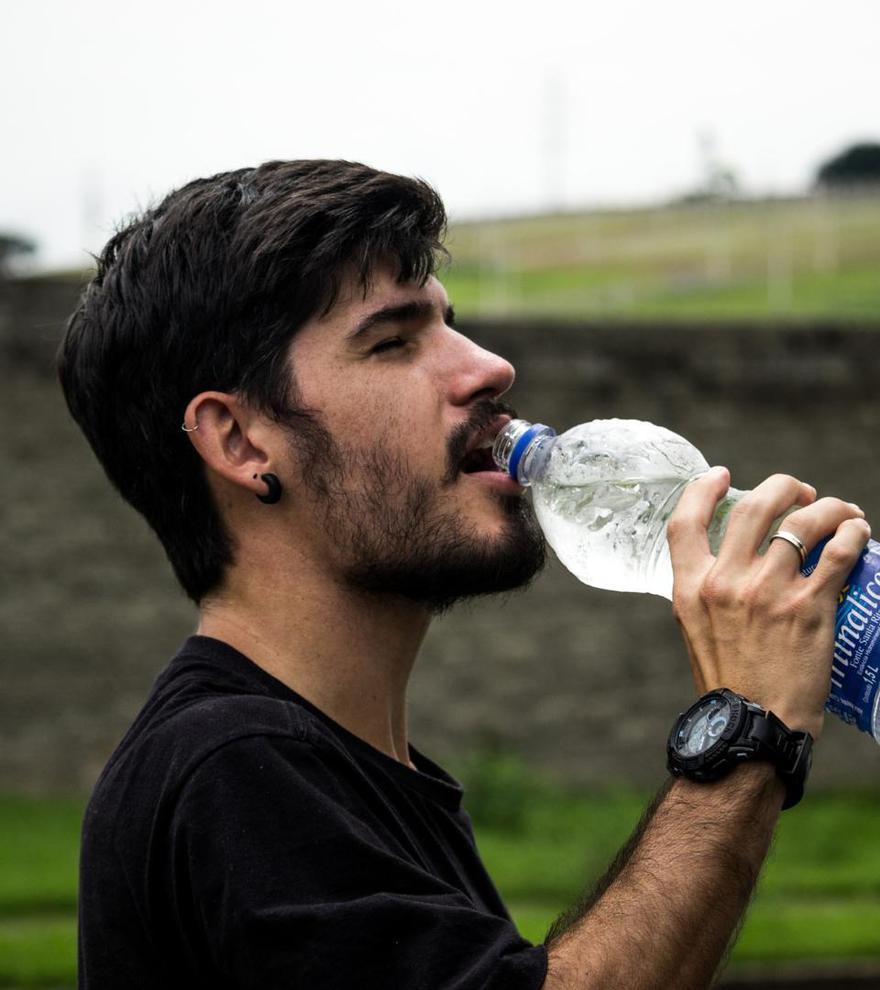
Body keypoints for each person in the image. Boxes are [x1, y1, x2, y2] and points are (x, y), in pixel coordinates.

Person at [58, 159, 869, 990]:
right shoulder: (231, 771)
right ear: (240, 442)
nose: (488, 367)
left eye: (452, 324)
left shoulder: (349, 771)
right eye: (393, 341)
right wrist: (746, 733)